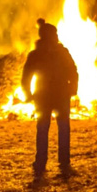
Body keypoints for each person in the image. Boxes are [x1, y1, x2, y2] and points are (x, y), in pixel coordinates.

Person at [21, 19, 78, 179]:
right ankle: (63, 162)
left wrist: (28, 94)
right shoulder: (61, 52)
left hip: (45, 96)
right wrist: (72, 89)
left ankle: (41, 163)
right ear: (52, 36)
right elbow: (73, 72)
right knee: (62, 128)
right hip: (58, 95)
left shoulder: (37, 54)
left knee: (44, 128)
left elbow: (26, 77)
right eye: (55, 34)